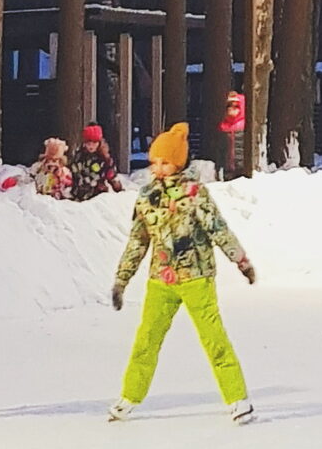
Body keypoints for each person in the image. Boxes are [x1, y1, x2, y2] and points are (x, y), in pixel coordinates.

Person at [109, 122, 257, 425]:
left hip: (197, 279)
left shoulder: (194, 194)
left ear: (178, 162)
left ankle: (237, 399)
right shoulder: (147, 196)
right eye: (154, 162)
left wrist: (241, 261)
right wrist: (122, 280)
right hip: (160, 281)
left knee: (213, 338)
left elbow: (218, 229)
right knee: (146, 340)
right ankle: (129, 397)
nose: (158, 168)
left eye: (164, 162)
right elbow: (138, 240)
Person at [71, 124, 122, 200]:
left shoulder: (104, 159)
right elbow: (73, 173)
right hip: (78, 194)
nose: (91, 146)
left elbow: (111, 175)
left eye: (94, 143)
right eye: (88, 143)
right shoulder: (79, 157)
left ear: (99, 143)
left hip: (98, 195)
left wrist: (118, 188)